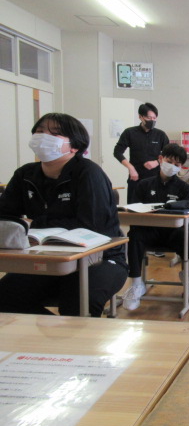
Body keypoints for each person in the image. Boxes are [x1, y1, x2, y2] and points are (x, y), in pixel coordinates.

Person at [0, 113, 128, 317]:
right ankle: (52, 332)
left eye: (54, 133)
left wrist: (34, 223)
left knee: (78, 302)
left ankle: (69, 335)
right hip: (46, 257)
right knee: (5, 296)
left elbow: (91, 226)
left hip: (99, 258)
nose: (44, 137)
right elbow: (6, 216)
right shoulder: (25, 174)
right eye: (40, 131)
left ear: (74, 145)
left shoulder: (88, 173)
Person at [121, 144, 189, 311]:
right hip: (149, 232)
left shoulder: (184, 188)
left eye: (177, 164)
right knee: (134, 235)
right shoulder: (144, 185)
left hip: (173, 234)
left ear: (181, 167)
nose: (172, 166)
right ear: (160, 159)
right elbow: (133, 209)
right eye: (169, 161)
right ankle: (136, 284)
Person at [113, 102, 170, 204]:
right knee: (133, 207)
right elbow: (117, 152)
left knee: (155, 207)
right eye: (149, 118)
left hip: (155, 179)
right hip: (136, 178)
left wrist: (157, 162)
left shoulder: (160, 135)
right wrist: (131, 168)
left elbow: (169, 154)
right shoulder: (130, 133)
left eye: (154, 118)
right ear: (140, 117)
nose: (152, 120)